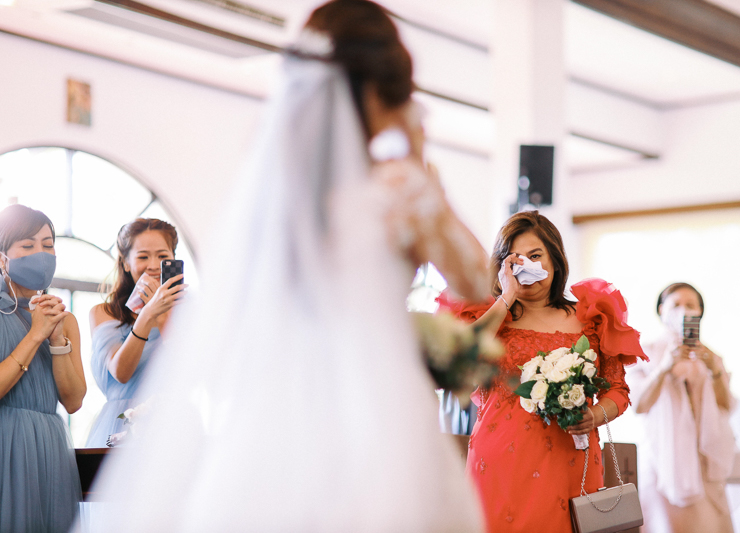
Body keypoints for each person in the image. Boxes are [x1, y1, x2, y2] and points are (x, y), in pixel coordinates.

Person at [86, 1, 489, 531]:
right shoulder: (400, 188)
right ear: (383, 88)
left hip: (276, 414)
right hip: (378, 408)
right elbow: (475, 280)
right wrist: (417, 160)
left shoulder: (273, 201)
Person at [438, 210, 647, 532]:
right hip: (500, 460)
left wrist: (594, 415)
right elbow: (458, 359)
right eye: (516, 260)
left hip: (572, 462)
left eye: (535, 256)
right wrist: (506, 298)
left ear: (555, 259)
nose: (527, 266)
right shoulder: (489, 315)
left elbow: (618, 391)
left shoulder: (592, 317)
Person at [629, 283, 740, 533]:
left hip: (705, 460)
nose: (683, 311)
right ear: (662, 310)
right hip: (663, 460)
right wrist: (665, 367)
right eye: (676, 305)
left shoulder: (711, 357)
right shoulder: (644, 353)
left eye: (690, 305)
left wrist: (714, 369)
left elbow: (726, 406)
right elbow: (639, 405)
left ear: (700, 313)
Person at [0, 204, 85, 532]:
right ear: (3, 259)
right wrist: (35, 335)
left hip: (48, 448)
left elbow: (74, 401)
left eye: (48, 245)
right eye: (28, 245)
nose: (41, 254)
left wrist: (57, 338)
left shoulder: (65, 319)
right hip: (6, 442)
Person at [84, 218, 184, 447]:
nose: (153, 265)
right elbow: (121, 372)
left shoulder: (187, 311)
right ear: (126, 263)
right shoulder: (104, 313)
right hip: (121, 423)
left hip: (174, 423)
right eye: (143, 257)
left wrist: (165, 318)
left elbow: (192, 374)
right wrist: (148, 315)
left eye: (163, 256)